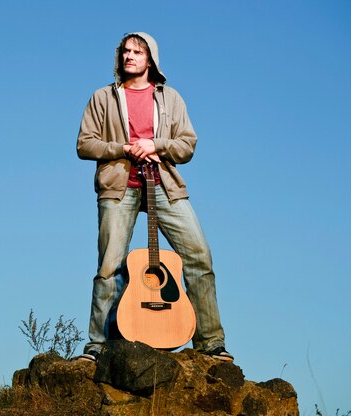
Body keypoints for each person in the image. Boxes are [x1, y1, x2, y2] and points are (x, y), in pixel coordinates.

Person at [76, 32, 233, 362]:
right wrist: (122, 149)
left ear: (151, 60)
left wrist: (156, 144)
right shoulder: (103, 97)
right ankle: (97, 347)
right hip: (119, 187)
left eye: (138, 52)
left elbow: (187, 145)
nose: (129, 56)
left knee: (199, 256)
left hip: (165, 185)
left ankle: (210, 343)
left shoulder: (171, 98)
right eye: (126, 51)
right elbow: (84, 144)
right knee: (110, 267)